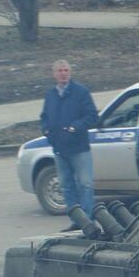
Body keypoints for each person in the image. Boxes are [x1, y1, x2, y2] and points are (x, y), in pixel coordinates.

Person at [39, 59, 98, 216]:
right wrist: (46, 130)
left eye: (66, 70)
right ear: (54, 74)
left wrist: (74, 127)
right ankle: (76, 220)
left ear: (70, 73)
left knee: (85, 185)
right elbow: (44, 117)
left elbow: (92, 116)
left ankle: (88, 220)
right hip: (59, 148)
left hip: (79, 148)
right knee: (66, 186)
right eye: (60, 71)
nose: (63, 73)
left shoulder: (81, 92)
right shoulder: (50, 95)